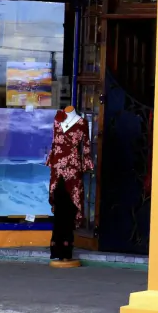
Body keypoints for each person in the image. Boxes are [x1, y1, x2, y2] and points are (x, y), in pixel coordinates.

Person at [46, 106, 93, 262]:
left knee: (70, 207)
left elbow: (86, 145)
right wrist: (51, 161)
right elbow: (54, 143)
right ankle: (56, 247)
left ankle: (66, 249)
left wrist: (86, 164)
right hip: (57, 168)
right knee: (59, 207)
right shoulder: (57, 119)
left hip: (73, 168)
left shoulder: (82, 122)